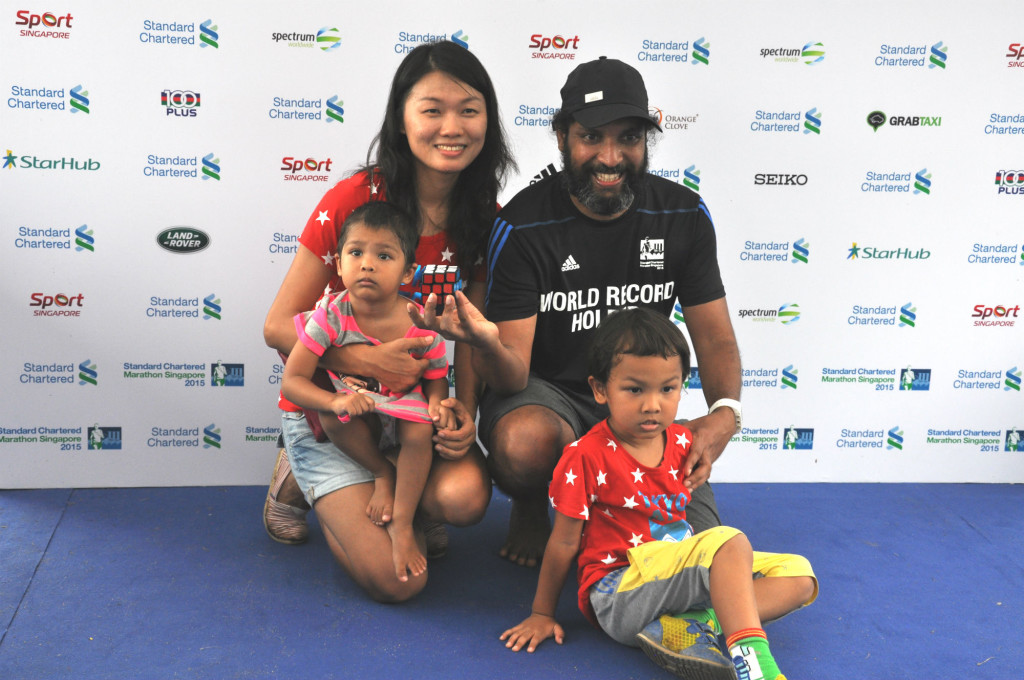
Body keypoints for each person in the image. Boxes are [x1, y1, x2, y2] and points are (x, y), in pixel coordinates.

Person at [412, 56, 742, 567]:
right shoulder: (522, 225)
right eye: (591, 137)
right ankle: (533, 504)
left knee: (702, 558)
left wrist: (725, 413)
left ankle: (609, 516)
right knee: (526, 443)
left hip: (638, 398)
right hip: (548, 397)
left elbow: (715, 337)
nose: (610, 157)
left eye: (629, 138)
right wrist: (483, 345)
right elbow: (512, 372)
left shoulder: (684, 213)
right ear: (562, 137)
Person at [262, 40, 514, 602]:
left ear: (488, 120)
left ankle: (404, 494)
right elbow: (278, 325)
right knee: (400, 583)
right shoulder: (354, 199)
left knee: (464, 499)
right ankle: (299, 474)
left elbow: (470, 336)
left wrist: (463, 410)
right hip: (338, 409)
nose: (452, 127)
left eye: (469, 110)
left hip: (413, 410)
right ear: (401, 119)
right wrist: (365, 361)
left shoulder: (484, 214)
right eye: (432, 110)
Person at [499, 308, 817, 680]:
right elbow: (564, 542)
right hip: (618, 593)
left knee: (799, 576)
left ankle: (691, 624)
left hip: (674, 579)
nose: (652, 404)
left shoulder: (684, 442)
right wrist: (542, 613)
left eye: (667, 389)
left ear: (682, 385)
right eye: (635, 389)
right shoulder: (584, 455)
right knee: (729, 543)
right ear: (600, 389)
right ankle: (755, 667)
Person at [282, 202, 455, 582]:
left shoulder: (418, 321)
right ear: (339, 264)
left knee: (420, 428)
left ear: (407, 272)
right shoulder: (329, 315)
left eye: (384, 256)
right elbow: (292, 382)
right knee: (334, 415)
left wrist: (437, 404)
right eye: (356, 253)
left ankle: (404, 522)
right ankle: (381, 472)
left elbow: (437, 376)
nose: (367, 265)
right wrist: (335, 400)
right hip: (353, 413)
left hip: (400, 410)